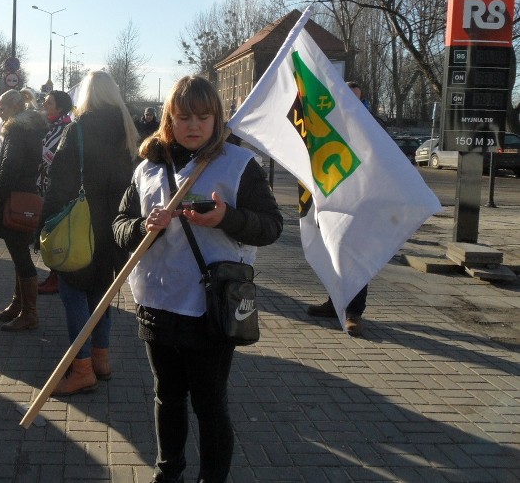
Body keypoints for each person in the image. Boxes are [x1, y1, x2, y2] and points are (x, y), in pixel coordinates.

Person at [113, 76, 283, 483]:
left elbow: (272, 227)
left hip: (212, 306)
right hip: (156, 300)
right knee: (167, 396)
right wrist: (141, 227)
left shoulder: (238, 165)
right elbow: (118, 226)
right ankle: (167, 472)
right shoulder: (148, 169)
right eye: (184, 116)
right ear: (169, 119)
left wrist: (228, 218)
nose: (194, 125)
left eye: (203, 117)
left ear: (217, 118)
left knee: (209, 403)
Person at [42, 72, 138, 395]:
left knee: (73, 294)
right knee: (101, 294)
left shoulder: (77, 131)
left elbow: (58, 184)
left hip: (81, 228)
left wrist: (46, 222)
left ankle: (81, 368)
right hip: (116, 229)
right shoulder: (128, 132)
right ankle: (101, 359)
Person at [306, 80, 369, 336]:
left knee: (356, 256)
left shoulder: (369, 128)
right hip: (331, 199)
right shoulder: (329, 124)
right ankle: (334, 303)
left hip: (360, 201)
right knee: (332, 252)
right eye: (346, 98)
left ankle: (353, 312)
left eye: (356, 99)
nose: (350, 104)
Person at [0, 88, 48, 332]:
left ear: (14, 108)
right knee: (18, 254)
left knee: (21, 256)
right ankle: (18, 305)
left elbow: (9, 169)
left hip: (15, 200)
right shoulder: (29, 129)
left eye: (1, 108)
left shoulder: (17, 131)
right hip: (24, 196)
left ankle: (29, 312)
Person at [35, 90, 74, 295]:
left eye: (49, 103)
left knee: (54, 230)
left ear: (60, 108)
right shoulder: (50, 126)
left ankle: (58, 276)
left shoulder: (65, 128)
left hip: (57, 189)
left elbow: (57, 159)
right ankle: (54, 274)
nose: (44, 105)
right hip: (44, 186)